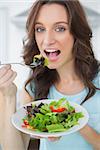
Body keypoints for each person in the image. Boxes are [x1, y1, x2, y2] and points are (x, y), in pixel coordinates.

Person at [0, 0, 100, 150]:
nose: (47, 41)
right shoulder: (34, 85)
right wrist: (8, 97)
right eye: (40, 29)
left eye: (60, 28)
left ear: (76, 33)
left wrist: (72, 122)